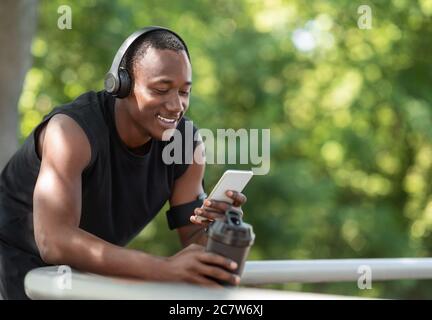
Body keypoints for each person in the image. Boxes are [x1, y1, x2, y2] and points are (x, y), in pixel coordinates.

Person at [0, 27, 247, 300]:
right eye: (161, 89)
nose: (177, 105)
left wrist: (218, 229)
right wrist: (164, 268)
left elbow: (192, 240)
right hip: (11, 271)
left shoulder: (186, 145)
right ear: (121, 84)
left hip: (81, 279)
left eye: (184, 92)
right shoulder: (70, 132)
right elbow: (53, 241)